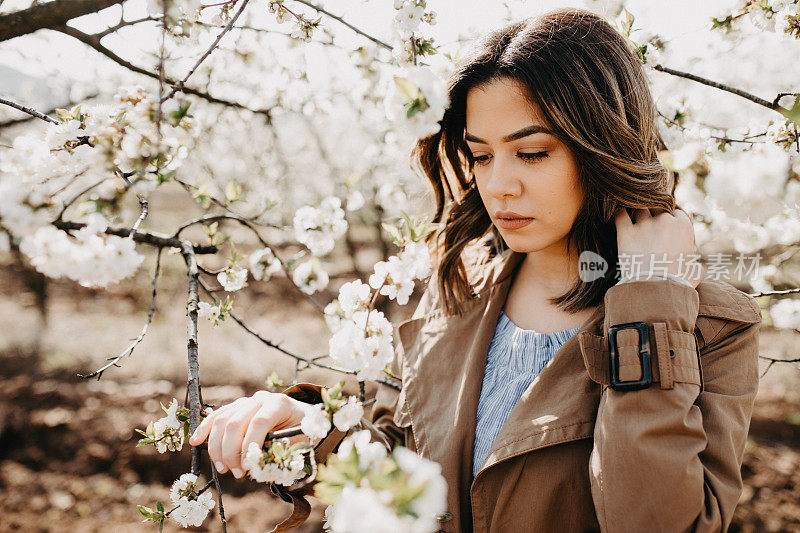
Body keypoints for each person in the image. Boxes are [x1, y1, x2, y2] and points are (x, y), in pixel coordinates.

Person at [189, 8, 762, 532]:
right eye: (481, 155)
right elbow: (411, 471)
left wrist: (647, 303)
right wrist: (310, 431)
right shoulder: (462, 286)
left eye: (532, 152)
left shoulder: (708, 327)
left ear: (602, 145)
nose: (497, 184)